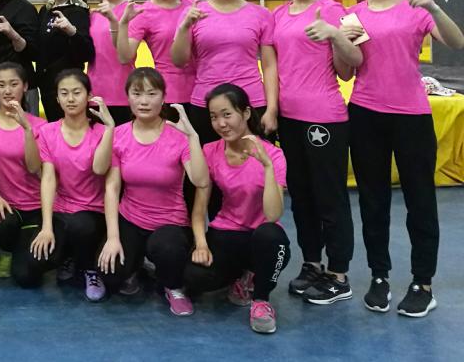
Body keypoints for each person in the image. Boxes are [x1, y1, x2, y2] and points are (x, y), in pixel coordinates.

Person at [343, 0, 464, 317]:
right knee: (372, 201)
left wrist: (432, 6)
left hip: (412, 116)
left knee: (420, 200)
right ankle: (379, 276)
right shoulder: (352, 15)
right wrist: (336, 41)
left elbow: (457, 42)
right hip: (365, 115)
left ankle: (422, 283)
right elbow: (346, 70)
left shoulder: (417, 9)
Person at [272, 0, 361, 305]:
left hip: (324, 117)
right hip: (288, 118)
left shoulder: (338, 11)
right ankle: (311, 263)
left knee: (329, 195)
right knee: (301, 196)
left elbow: (351, 66)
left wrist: (335, 34)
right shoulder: (278, 15)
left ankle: (338, 274)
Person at [95, 68, 208, 316]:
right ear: (128, 97)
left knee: (167, 249)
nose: (144, 101)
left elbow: (200, 180)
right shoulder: (119, 135)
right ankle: (136, 266)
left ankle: (173, 287)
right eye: (137, 94)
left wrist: (193, 137)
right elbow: (111, 188)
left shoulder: (178, 136)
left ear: (164, 97)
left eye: (151, 93)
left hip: (170, 224)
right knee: (110, 275)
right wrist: (113, 237)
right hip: (131, 219)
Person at [184, 84, 290, 335]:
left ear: (246, 113)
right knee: (193, 277)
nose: (221, 123)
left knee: (272, 237)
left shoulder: (274, 155)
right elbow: (199, 210)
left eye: (227, 114)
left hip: (261, 239)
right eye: (214, 117)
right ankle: (240, 276)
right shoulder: (210, 151)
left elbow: (273, 215)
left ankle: (261, 300)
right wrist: (201, 244)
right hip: (227, 235)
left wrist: (267, 167)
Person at [19, 70, 113, 301]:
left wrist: (110, 128)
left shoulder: (101, 132)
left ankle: (89, 268)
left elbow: (101, 169)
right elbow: (48, 178)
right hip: (61, 212)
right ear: (57, 98)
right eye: (64, 93)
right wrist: (46, 227)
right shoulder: (48, 132)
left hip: (91, 213)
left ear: (89, 96)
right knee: (28, 271)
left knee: (81, 226)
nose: (70, 99)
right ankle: (67, 257)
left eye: (76, 92)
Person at [171, 0, 278, 146]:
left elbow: (269, 65)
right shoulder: (193, 13)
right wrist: (185, 27)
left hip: (251, 103)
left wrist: (272, 109)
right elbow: (179, 60)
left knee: (256, 162)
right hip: (206, 106)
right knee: (207, 163)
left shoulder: (261, 14)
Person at [0, 61, 48, 281]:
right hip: (5, 206)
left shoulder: (41, 126)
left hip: (35, 207)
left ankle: (22, 247)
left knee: (27, 277)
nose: (7, 90)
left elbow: (35, 168)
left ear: (25, 86)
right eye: (1, 85)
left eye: (14, 84)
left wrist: (26, 129)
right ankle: (7, 248)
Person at [122, 0, 197, 106]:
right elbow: (126, 56)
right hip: (167, 94)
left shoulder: (196, 6)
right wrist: (122, 24)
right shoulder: (143, 13)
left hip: (201, 90)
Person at [35, 0, 95, 122]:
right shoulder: (46, 10)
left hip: (68, 89)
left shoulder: (78, 12)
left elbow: (87, 54)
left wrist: (71, 32)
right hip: (46, 88)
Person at [88, 0, 140, 124]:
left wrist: (114, 20)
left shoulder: (133, 11)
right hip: (95, 94)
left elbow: (126, 55)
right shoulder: (92, 14)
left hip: (124, 94)